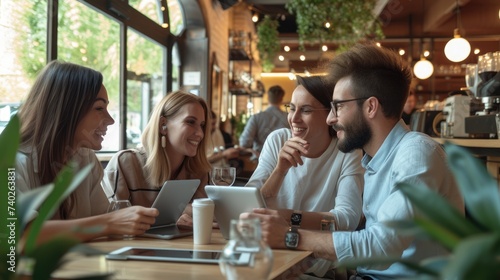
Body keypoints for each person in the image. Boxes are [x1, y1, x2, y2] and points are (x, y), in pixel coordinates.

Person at [241, 43, 464, 280]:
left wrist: (290, 236)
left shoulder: (417, 153)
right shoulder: (374, 160)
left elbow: (381, 246)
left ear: (370, 107)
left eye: (338, 106)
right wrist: (307, 258)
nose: (330, 118)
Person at [16, 60, 158, 243]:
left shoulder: (84, 158)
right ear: (66, 110)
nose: (110, 120)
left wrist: (144, 220)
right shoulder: (11, 161)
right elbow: (21, 235)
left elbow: (104, 218)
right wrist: (110, 223)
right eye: (99, 108)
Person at [246, 75, 364, 232]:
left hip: (318, 251)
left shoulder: (346, 151)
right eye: (292, 108)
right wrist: (279, 171)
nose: (294, 119)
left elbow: (347, 219)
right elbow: (247, 205)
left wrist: (289, 218)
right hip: (272, 245)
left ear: (330, 114)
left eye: (306, 110)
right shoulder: (277, 140)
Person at [102, 91, 212, 227]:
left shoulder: (198, 171)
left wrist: (196, 218)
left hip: (183, 246)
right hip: (134, 247)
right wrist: (180, 212)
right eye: (190, 122)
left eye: (202, 125)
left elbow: (204, 220)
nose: (200, 133)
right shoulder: (125, 163)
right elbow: (111, 219)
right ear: (163, 125)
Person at [239, 85, 289, 159]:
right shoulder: (289, 118)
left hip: (260, 160)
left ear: (268, 98)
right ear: (281, 99)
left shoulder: (256, 118)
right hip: (285, 161)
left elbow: (244, 142)